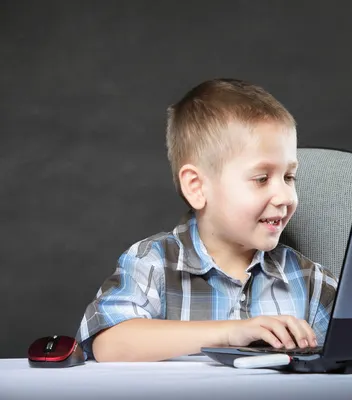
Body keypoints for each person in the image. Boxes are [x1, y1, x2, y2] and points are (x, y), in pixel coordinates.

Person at [74, 78, 338, 362]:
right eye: (261, 179)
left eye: (289, 177)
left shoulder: (309, 280)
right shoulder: (153, 263)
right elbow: (110, 343)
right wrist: (229, 333)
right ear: (197, 188)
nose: (285, 196)